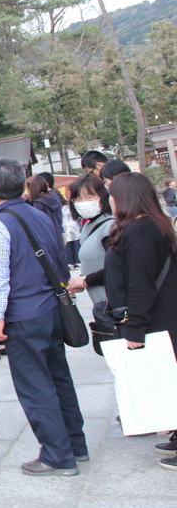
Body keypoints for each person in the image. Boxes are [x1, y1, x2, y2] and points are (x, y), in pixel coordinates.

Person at [0, 157, 88, 476]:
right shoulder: (41, 213)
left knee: (34, 384)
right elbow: (58, 255)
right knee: (59, 377)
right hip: (51, 307)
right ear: (24, 182)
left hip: (23, 313)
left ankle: (57, 455)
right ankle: (75, 444)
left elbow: (0, 276)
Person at [100, 173, 177, 470]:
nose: (110, 199)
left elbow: (141, 283)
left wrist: (135, 328)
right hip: (165, 311)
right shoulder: (154, 225)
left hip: (159, 315)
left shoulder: (140, 231)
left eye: (112, 193)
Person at [67, 175, 114, 305]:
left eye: (89, 197)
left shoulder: (110, 226)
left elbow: (118, 267)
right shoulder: (88, 227)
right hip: (102, 304)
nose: (83, 203)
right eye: (77, 199)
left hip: (116, 306)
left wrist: (86, 280)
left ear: (102, 197)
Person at [29, 174, 64, 245]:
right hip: (58, 234)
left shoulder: (38, 203)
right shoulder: (54, 196)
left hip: (47, 239)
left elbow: (38, 225)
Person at [61, 196, 82, 269]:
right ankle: (77, 262)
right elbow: (78, 216)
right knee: (76, 245)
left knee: (68, 246)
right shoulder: (71, 206)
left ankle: (70, 262)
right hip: (74, 226)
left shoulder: (62, 208)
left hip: (66, 227)